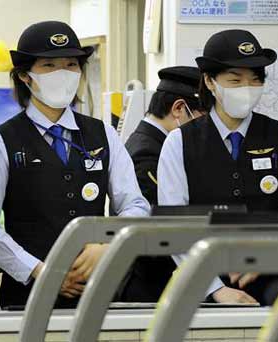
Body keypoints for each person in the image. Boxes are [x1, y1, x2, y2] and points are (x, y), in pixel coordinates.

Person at [0, 21, 150, 309]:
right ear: (25, 75)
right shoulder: (1, 141)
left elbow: (136, 205)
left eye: (71, 65)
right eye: (49, 66)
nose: (62, 74)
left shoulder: (104, 134)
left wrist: (110, 242)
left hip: (97, 291)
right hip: (28, 296)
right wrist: (40, 271)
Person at [157, 29, 278, 305]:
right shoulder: (179, 142)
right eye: (235, 80)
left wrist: (267, 257)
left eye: (256, 80)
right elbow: (176, 227)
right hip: (202, 283)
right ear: (209, 81)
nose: (247, 88)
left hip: (274, 280)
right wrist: (215, 289)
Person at [119, 66, 204, 302]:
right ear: (178, 109)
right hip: (148, 283)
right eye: (203, 118)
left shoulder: (152, 143)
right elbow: (160, 219)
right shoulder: (147, 153)